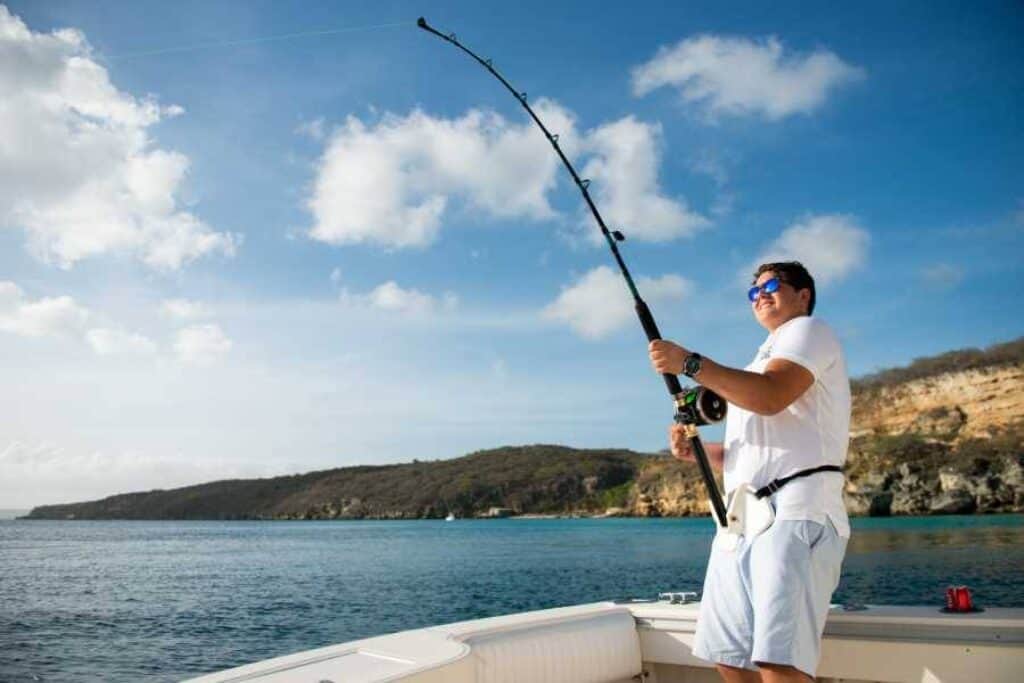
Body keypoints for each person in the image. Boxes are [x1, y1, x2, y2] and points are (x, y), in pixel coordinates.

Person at [648, 261, 850, 683]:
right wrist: (700, 452)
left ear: (803, 295)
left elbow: (772, 397)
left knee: (779, 662)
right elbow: (751, 450)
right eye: (753, 291)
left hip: (794, 512)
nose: (760, 294)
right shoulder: (759, 360)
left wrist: (689, 362)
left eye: (772, 286)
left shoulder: (808, 332)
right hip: (740, 521)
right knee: (730, 657)